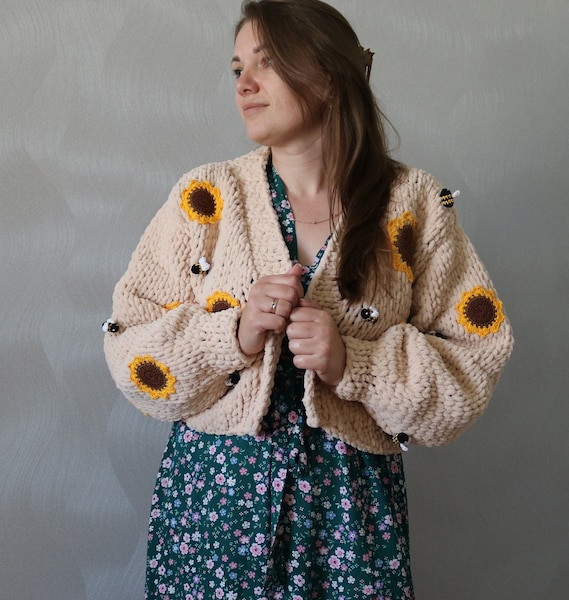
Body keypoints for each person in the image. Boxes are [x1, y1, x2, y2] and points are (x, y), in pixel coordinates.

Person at [103, 0, 513, 598]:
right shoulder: (205, 198)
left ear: (328, 74)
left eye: (266, 63)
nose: (244, 82)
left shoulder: (413, 206)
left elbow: (476, 359)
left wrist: (355, 362)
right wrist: (233, 335)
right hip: (214, 511)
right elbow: (128, 341)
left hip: (350, 517)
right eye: (237, 66)